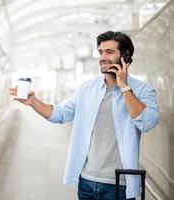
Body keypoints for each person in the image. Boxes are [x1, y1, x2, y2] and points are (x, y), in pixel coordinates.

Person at [9, 31, 160, 200]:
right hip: (86, 182)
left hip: (119, 184)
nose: (103, 57)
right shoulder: (87, 88)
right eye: (101, 52)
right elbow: (59, 114)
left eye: (109, 52)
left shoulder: (142, 90)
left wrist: (124, 86)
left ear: (125, 57)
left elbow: (147, 122)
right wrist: (34, 102)